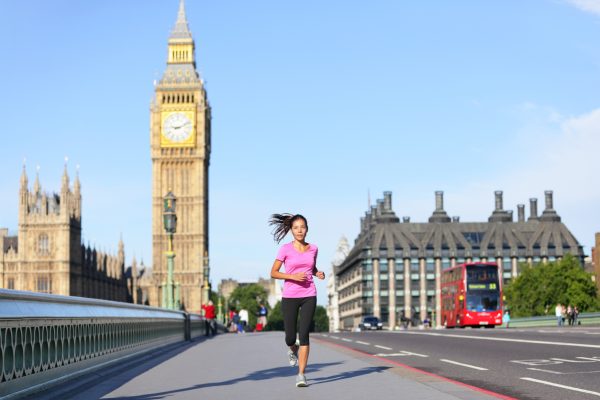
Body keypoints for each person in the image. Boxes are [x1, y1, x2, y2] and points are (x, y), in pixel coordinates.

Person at [269, 213, 325, 388]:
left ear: (307, 229)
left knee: (305, 335)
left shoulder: (314, 248)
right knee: (290, 337)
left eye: (302, 227)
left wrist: (317, 273)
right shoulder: (285, 249)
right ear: (291, 230)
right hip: (290, 296)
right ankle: (292, 349)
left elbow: (311, 267)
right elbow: (274, 272)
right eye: (296, 228)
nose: (300, 230)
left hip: (309, 294)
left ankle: (301, 374)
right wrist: (292, 276)